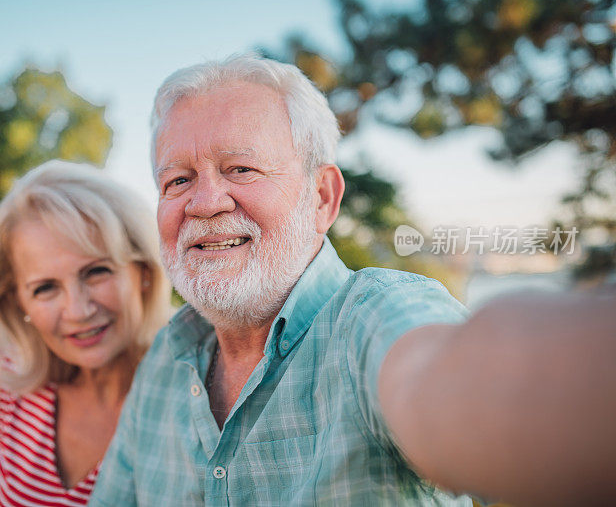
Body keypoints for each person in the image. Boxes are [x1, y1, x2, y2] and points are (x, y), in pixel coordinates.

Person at [89, 55, 616, 506]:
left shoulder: (373, 318)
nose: (204, 203)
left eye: (241, 169)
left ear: (322, 197)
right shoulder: (165, 359)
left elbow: (451, 378)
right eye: (177, 180)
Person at [0, 160, 170, 506]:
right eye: (45, 288)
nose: (78, 310)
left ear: (144, 272)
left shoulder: (191, 397)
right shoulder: (0, 382)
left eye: (96, 271)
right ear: (17, 301)